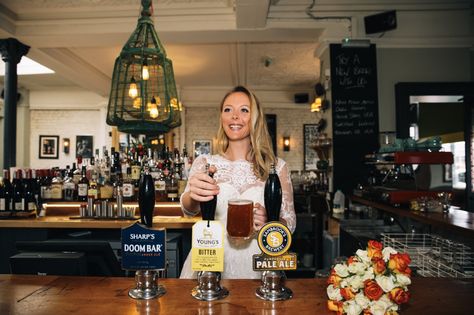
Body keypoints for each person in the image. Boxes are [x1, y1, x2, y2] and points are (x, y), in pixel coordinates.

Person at [180, 86, 296, 279]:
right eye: (228, 110)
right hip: (209, 257)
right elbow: (187, 209)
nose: (235, 116)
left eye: (244, 110)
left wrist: (271, 220)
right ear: (221, 117)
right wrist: (193, 195)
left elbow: (290, 223)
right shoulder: (205, 162)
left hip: (259, 262)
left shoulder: (277, 167)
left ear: (255, 118)